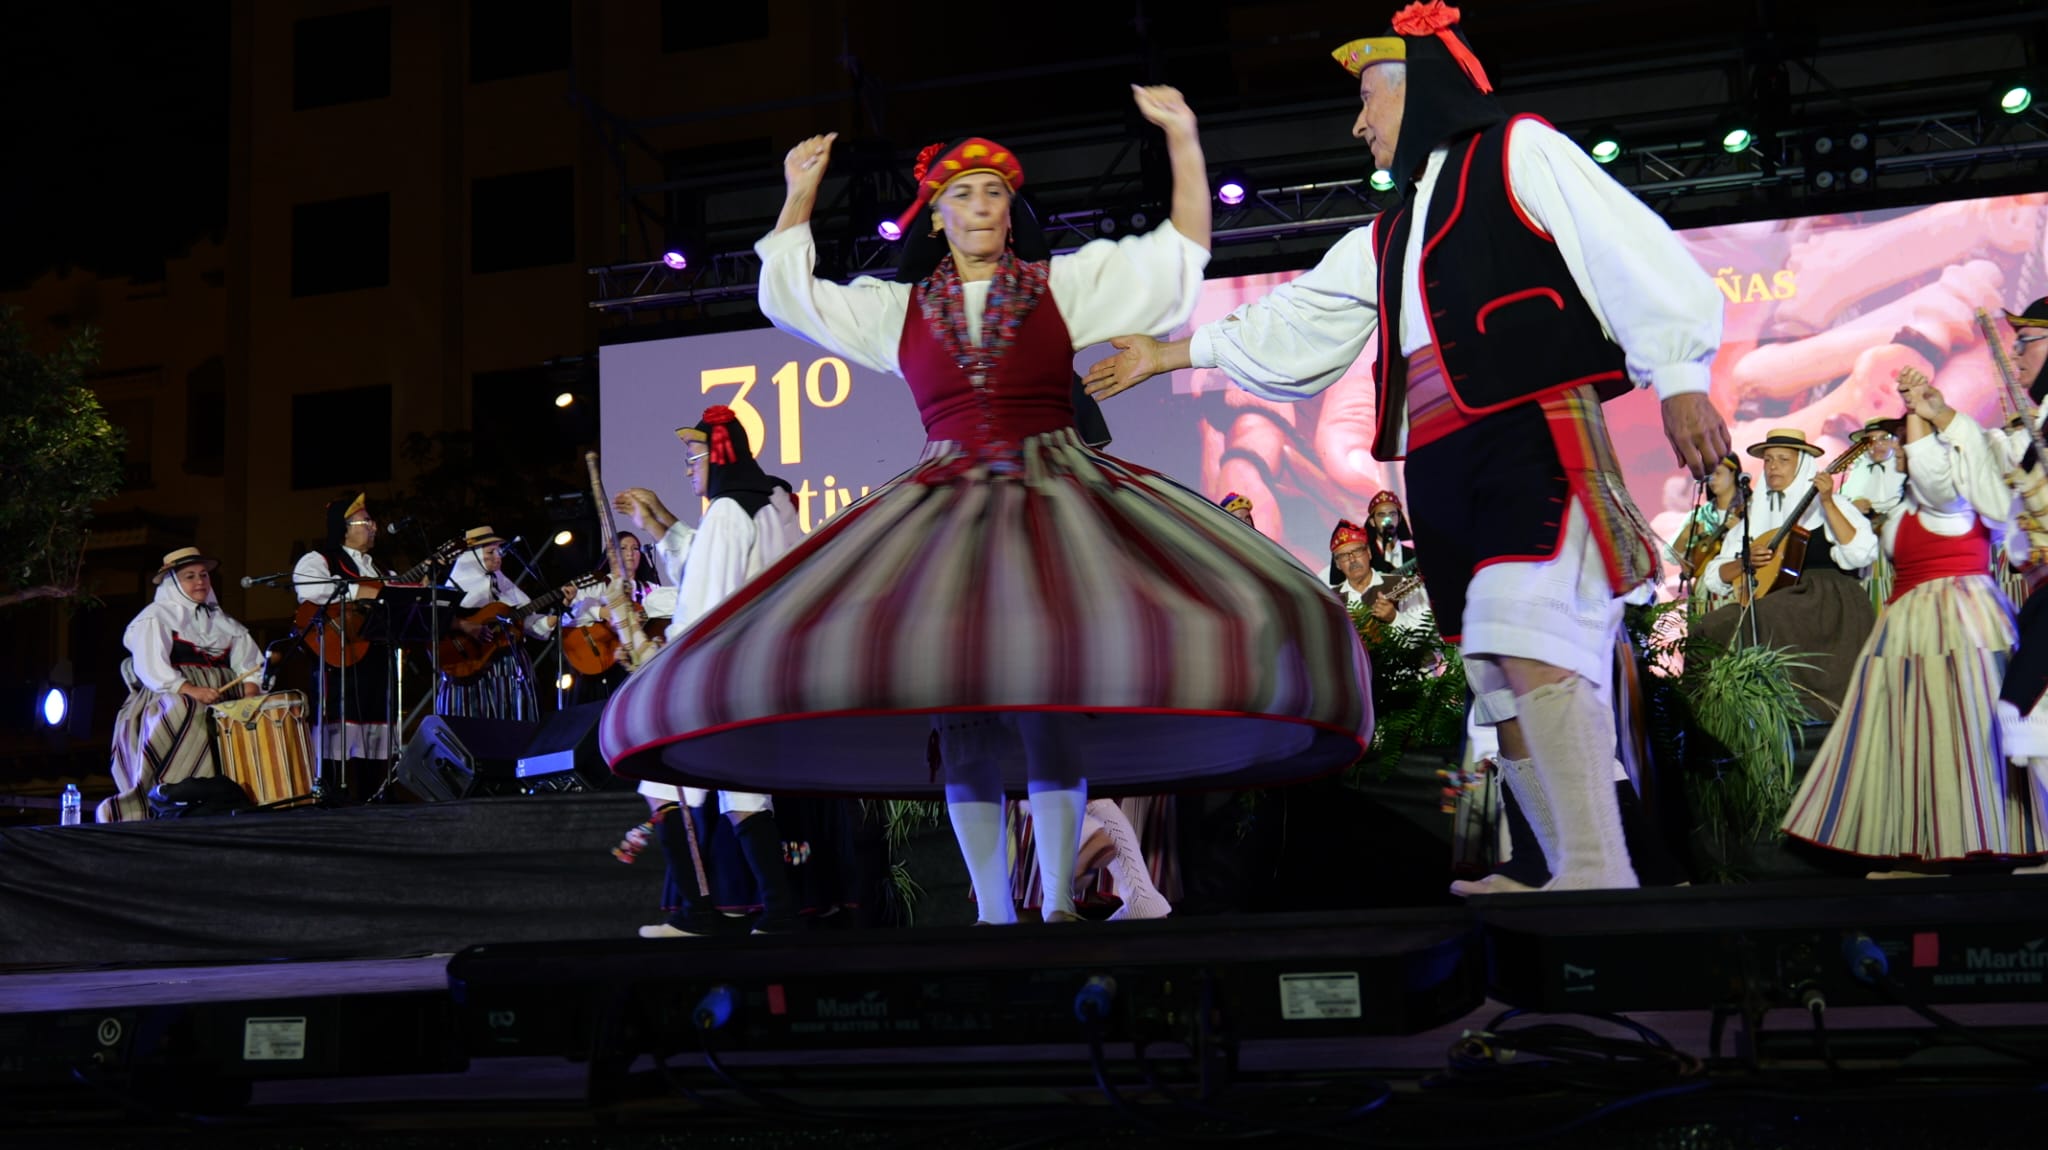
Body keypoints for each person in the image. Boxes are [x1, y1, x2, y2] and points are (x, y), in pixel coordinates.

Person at [601, 86, 1371, 928]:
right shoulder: (899, 310)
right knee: (965, 718)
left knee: (1045, 702)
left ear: (1012, 211)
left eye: (994, 192)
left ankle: (1060, 904)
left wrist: (1185, 137)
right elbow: (792, 297)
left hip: (1053, 501)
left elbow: (1175, 255)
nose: (979, 206)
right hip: (948, 512)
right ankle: (997, 909)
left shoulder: (1058, 288)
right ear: (934, 215)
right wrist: (798, 193)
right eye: (960, 194)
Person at [1081, 5, 1726, 891]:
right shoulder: (1386, 235)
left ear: (1418, 92)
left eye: (1366, 99)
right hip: (1442, 463)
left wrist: (1682, 372)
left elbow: (1626, 247)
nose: (1356, 122)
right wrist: (1169, 351)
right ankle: (1564, 870)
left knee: (1521, 629)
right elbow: (1298, 321)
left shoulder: (1518, 151)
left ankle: (1596, 868)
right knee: (1493, 671)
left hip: (1525, 431)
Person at [1782, 368, 2043, 872]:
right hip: (1906, 624)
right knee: (1905, 736)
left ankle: (1978, 836)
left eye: (1905, 439)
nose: (1900, 446)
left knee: (1965, 732)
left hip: (1959, 622)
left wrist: (1917, 408)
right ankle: (1910, 836)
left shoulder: (1954, 500)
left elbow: (1930, 476)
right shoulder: (1902, 510)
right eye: (1902, 439)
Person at [622, 407, 853, 936]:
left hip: (717, 673)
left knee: (661, 785)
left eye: (691, 457)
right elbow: (725, 568)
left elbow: (705, 600)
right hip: (761, 671)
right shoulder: (774, 503)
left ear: (715, 455)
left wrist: (657, 658)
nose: (687, 469)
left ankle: (695, 912)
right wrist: (656, 522)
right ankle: (779, 913)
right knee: (743, 792)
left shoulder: (728, 510)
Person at [1695, 428, 1879, 717]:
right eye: (1768, 460)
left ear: (1803, 464)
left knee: (1764, 616)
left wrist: (1828, 502)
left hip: (1825, 599)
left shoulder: (1832, 504)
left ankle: (1791, 710)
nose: (1773, 467)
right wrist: (1745, 563)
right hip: (1777, 598)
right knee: (1708, 626)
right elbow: (1715, 576)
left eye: (1783, 459)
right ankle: (1707, 717)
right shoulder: (1755, 513)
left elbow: (1861, 553)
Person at [100, 548, 265, 822]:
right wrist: (191, 690)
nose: (200, 581)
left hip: (224, 698)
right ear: (173, 583)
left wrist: (248, 696)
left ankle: (240, 795)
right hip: (170, 694)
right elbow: (151, 667)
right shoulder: (156, 616)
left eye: (203, 575)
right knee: (186, 707)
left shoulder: (224, 622)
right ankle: (169, 793)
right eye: (190, 576)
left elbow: (250, 664)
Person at [291, 493, 394, 791]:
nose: (373, 527)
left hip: (376, 653)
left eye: (372, 521)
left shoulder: (380, 569)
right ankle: (334, 791)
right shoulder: (318, 560)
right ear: (343, 528)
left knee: (376, 722)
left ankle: (374, 790)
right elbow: (313, 592)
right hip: (339, 653)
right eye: (365, 522)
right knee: (340, 718)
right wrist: (363, 594)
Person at [437, 527, 557, 721]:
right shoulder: (454, 587)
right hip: (470, 669)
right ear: (471, 556)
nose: (498, 557)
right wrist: (467, 626)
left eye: (499, 551)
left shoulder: (502, 583)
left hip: (510, 667)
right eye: (490, 552)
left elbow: (525, 620)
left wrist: (555, 615)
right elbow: (437, 622)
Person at [1840, 417, 1908, 609]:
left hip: (1897, 542)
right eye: (1871, 440)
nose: (1877, 445)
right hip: (1866, 547)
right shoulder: (1855, 471)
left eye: (1883, 438)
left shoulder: (1905, 469)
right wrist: (1853, 507)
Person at [1668, 453, 1747, 614]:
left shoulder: (1751, 508)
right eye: (1709, 475)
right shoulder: (1700, 514)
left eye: (1718, 473)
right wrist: (1685, 536)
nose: (1712, 479)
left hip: (1739, 584)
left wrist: (1739, 531)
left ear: (1733, 473)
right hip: (1704, 593)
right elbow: (1671, 556)